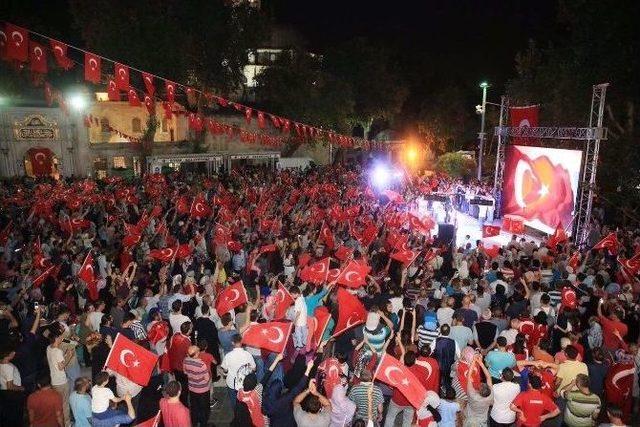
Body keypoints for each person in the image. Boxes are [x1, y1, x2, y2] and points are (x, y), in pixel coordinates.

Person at [46, 328, 73, 426]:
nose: (62, 338)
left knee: (57, 404)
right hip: (61, 381)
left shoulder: (49, 348)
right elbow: (61, 367)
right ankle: (67, 424)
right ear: (56, 338)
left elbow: (56, 361)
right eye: (60, 336)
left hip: (54, 381)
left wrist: (64, 355)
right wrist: (69, 356)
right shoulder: (57, 351)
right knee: (65, 404)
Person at [220, 333, 255, 409]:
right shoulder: (247, 354)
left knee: (233, 401)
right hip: (244, 382)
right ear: (242, 341)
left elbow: (225, 369)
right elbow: (254, 368)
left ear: (232, 342)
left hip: (232, 382)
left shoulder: (228, 355)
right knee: (245, 401)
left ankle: (236, 414)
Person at [182, 345, 211, 427]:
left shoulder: (186, 360)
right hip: (203, 390)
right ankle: (203, 424)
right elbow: (207, 379)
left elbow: (185, 372)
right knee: (204, 409)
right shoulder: (202, 364)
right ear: (196, 354)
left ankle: (194, 423)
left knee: (194, 408)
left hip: (192, 388)